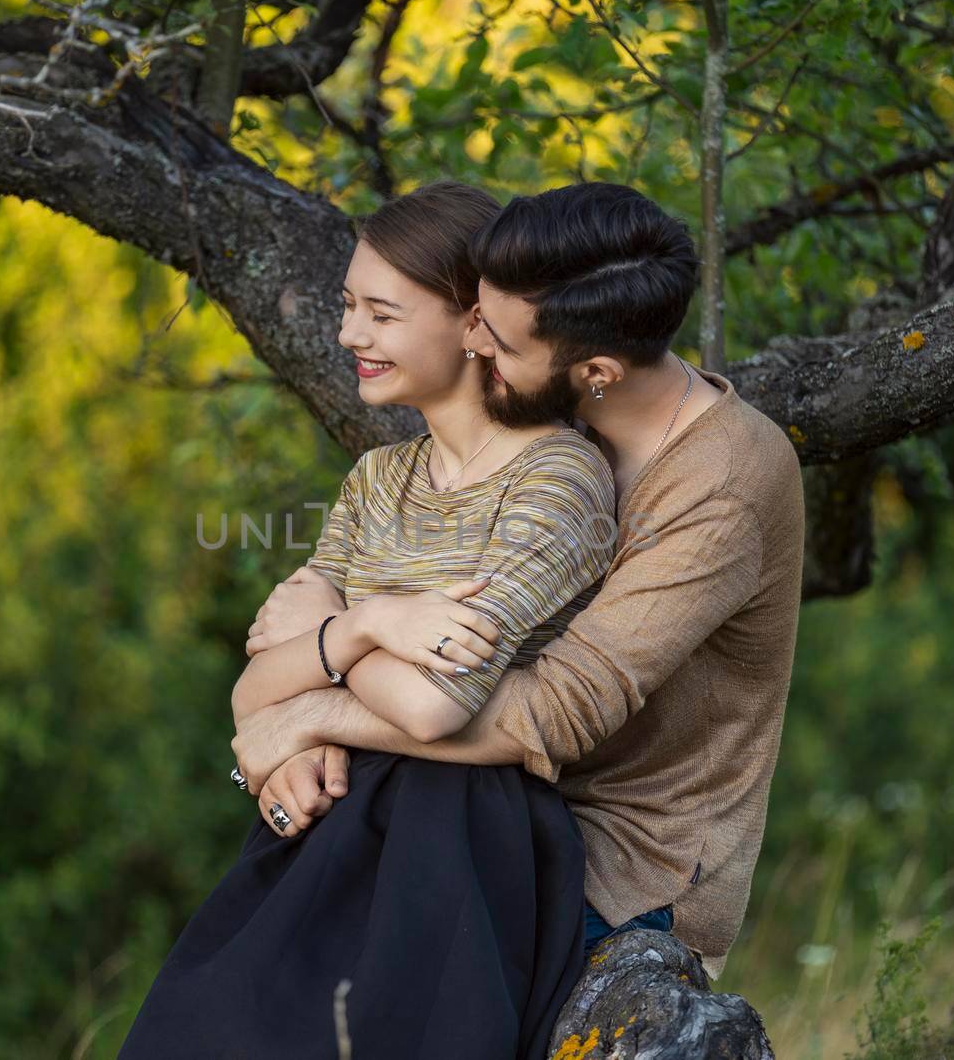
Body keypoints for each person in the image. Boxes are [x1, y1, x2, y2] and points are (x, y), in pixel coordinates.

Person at [235, 181, 806, 980]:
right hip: (476, 814)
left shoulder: (721, 481)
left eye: (498, 343)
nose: (475, 349)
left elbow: (548, 713)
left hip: (622, 869)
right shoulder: (559, 422)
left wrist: (313, 693)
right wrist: (286, 733)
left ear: (597, 370)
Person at [116, 181, 617, 1060]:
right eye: (349, 307)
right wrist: (363, 626)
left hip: (456, 836)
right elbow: (251, 696)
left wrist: (325, 641)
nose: (349, 335)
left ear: (474, 323)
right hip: (328, 817)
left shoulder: (558, 479)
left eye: (380, 313)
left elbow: (435, 707)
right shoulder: (378, 479)